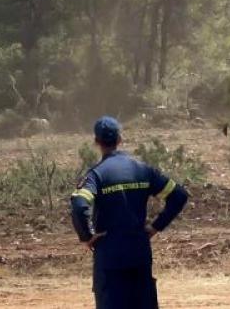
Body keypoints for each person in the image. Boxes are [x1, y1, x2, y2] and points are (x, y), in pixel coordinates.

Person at [71, 116, 188, 309]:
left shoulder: (96, 175)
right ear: (120, 139)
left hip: (109, 259)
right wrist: (156, 226)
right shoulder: (143, 170)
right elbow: (179, 195)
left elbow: (79, 204)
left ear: (96, 142)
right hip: (139, 254)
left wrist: (87, 236)